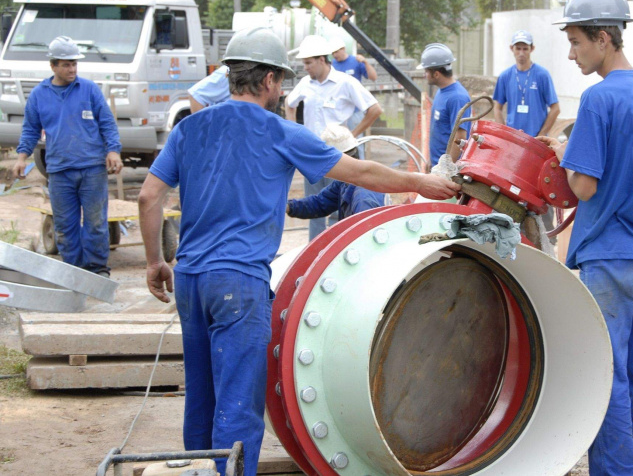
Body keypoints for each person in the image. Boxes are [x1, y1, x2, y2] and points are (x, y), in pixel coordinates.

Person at [137, 27, 459, 475]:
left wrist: (155, 261)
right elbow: (359, 171)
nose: (283, 89)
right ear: (268, 79)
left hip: (190, 281)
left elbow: (149, 197)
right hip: (239, 283)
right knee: (238, 403)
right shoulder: (279, 131)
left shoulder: (188, 128)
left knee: (203, 397)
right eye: (281, 81)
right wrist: (419, 182)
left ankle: (201, 469)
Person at [538, 0, 633, 476]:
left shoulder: (599, 100)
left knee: (608, 375)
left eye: (576, 42)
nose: (572, 54)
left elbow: (585, 187)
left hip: (609, 253)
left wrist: (561, 157)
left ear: (603, 37)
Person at [14, 36, 123, 276]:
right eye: (65, 64)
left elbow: (107, 122)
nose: (72, 69)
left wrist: (113, 150)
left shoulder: (89, 90)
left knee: (95, 223)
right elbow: (30, 129)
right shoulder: (39, 95)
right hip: (60, 171)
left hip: (92, 168)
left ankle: (97, 270)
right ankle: (74, 272)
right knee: (65, 226)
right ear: (52, 66)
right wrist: (22, 157)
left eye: (74, 64)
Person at [284, 34, 383, 239]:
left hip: (338, 156)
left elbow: (374, 109)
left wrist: (351, 136)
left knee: (338, 208)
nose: (306, 67)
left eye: (309, 63)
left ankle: (337, 251)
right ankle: (315, 252)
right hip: (311, 155)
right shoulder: (305, 83)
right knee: (315, 206)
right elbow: (289, 103)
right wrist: (294, 132)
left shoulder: (344, 83)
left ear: (322, 60)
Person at [286, 124, 384, 221]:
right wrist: (289, 207)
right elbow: (320, 203)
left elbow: (364, 232)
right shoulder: (347, 182)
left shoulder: (363, 199)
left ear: (335, 162)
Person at [493, 30, 560, 137]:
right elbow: (497, 107)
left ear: (532, 49)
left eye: (525, 49)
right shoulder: (505, 76)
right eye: (518, 48)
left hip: (536, 139)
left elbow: (555, 108)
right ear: (512, 48)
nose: (521, 53)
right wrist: (504, 133)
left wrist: (541, 135)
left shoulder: (542, 75)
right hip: (513, 139)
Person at [418, 43, 471, 163]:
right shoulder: (442, 91)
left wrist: (446, 168)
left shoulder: (457, 97)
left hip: (448, 171)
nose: (424, 75)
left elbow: (460, 137)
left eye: (426, 71)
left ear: (436, 74)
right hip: (437, 165)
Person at [329, 36, 376, 159]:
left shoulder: (355, 62)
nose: (335, 55)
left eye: (336, 52)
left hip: (355, 111)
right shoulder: (332, 66)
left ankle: (360, 169)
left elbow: (373, 77)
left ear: (343, 49)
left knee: (356, 140)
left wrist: (365, 62)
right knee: (338, 142)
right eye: (332, 53)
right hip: (339, 112)